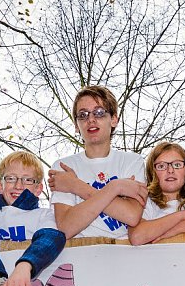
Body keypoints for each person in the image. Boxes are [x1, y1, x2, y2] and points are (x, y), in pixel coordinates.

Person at [0, 150, 136, 286]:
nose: (18, 185)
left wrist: (25, 266)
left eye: (27, 180)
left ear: (39, 188)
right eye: (11, 178)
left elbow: (51, 237)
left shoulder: (45, 216)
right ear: (0, 185)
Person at [48, 85, 147, 239]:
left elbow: (132, 216)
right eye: (83, 115)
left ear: (114, 120)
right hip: (81, 253)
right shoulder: (63, 167)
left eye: (99, 113)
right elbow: (66, 228)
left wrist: (76, 186)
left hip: (125, 253)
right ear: (76, 125)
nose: (91, 119)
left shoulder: (132, 161)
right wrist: (116, 189)